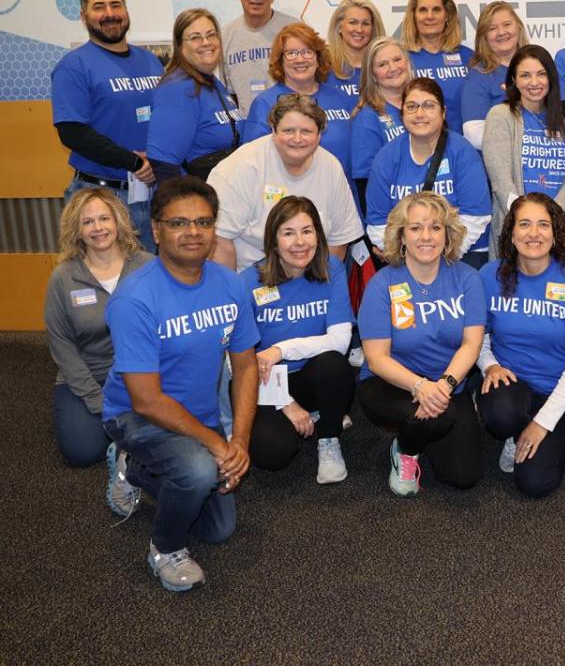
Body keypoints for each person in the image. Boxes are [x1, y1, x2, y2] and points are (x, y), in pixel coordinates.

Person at [101, 176, 259, 592]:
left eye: (204, 223)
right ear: (156, 230)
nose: (193, 232)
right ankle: (164, 548)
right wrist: (216, 444)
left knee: (218, 528)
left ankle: (134, 469)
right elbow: (147, 400)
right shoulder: (135, 299)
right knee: (197, 470)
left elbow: (245, 368)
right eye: (179, 223)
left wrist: (239, 440)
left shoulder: (231, 285)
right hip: (135, 415)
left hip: (198, 416)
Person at [357, 192, 485, 496]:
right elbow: (376, 358)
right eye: (415, 228)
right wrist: (419, 387)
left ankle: (424, 433)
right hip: (391, 383)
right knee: (434, 418)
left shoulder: (468, 279)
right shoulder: (382, 284)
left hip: (448, 383)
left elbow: (471, 343)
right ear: (401, 236)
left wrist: (445, 384)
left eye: (435, 228)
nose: (426, 237)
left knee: (463, 476)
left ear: (447, 234)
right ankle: (406, 449)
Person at [478, 194, 565, 497]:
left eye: (543, 224)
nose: (534, 233)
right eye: (525, 224)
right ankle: (514, 431)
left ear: (556, 232)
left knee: (534, 484)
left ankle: (556, 428)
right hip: (510, 385)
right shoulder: (489, 276)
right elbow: (477, 337)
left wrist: (543, 423)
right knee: (501, 417)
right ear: (511, 232)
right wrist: (489, 365)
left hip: (557, 391)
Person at [240, 196, 355, 484]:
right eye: (288, 233)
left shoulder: (332, 268)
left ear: (318, 233)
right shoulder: (248, 282)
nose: (300, 242)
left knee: (335, 364)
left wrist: (280, 349)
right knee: (273, 455)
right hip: (264, 382)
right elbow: (241, 363)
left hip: (313, 373)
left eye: (307, 231)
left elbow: (340, 341)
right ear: (273, 240)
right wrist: (285, 403)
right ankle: (315, 412)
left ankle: (328, 437)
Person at [51, 0, 162, 251]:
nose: (110, 14)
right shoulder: (74, 66)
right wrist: (133, 163)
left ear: (126, 10)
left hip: (152, 193)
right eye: (99, 7)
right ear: (83, 15)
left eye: (116, 5)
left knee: (152, 281)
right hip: (102, 198)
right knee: (106, 283)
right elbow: (72, 132)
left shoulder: (151, 61)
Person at [44, 188, 152, 467]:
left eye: (104, 218)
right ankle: (121, 426)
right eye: (87, 222)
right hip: (87, 375)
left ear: (118, 222)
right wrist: (98, 399)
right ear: (77, 230)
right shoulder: (63, 277)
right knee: (83, 452)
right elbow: (62, 346)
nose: (98, 228)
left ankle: (125, 430)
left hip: (141, 372)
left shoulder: (148, 266)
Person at [209, 93, 362, 272]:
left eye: (306, 131)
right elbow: (220, 239)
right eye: (288, 131)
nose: (297, 139)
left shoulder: (331, 167)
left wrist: (318, 285)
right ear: (273, 130)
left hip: (310, 277)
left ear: (319, 134)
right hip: (252, 277)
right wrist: (236, 294)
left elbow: (338, 240)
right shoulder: (240, 167)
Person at [365, 78, 491, 267]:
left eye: (429, 105)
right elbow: (377, 222)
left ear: (443, 112)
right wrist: (409, 257)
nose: (420, 113)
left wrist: (437, 257)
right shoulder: (386, 157)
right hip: (406, 258)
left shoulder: (462, 152)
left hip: (463, 254)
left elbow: (476, 215)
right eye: (412, 106)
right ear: (402, 114)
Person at [482, 44, 565, 252]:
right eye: (525, 75)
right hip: (517, 233)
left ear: (551, 79)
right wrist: (527, 222)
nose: (534, 83)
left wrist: (550, 218)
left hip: (560, 232)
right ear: (514, 80)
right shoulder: (500, 116)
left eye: (541, 74)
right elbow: (501, 182)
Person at [243, 23, 356, 183]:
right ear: (281, 60)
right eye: (291, 53)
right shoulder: (265, 103)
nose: (300, 59)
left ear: (318, 58)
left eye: (307, 52)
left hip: (340, 192)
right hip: (289, 196)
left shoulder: (340, 97)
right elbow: (254, 160)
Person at [146, 8, 244, 182]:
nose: (206, 42)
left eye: (211, 35)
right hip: (194, 198)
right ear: (179, 45)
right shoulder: (178, 89)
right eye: (195, 37)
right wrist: (184, 205)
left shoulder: (213, 84)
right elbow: (164, 161)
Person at [222, 0, 299, 116]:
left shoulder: (293, 29)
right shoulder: (225, 36)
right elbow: (229, 94)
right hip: (247, 129)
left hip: (289, 126)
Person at [399, 0, 473, 136]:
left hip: (463, 149)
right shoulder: (401, 60)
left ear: (447, 15)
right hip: (419, 146)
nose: (430, 16)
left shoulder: (469, 58)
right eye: (423, 10)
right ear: (413, 16)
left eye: (436, 10)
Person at [461, 1, 528, 149]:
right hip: (501, 166)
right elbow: (474, 135)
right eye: (492, 28)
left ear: (518, 27)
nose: (501, 32)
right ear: (484, 37)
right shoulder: (479, 76)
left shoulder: (537, 66)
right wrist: (524, 140)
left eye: (507, 24)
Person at [350, 37, 410, 199]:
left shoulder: (424, 104)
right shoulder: (367, 117)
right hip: (393, 212)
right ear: (373, 75)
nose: (393, 68)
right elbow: (365, 181)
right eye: (382, 64)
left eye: (397, 59)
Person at [325, 0, 386, 101]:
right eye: (353, 22)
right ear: (339, 27)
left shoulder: (385, 67)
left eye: (366, 24)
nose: (359, 29)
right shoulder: (323, 65)